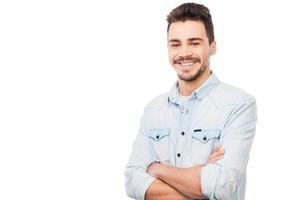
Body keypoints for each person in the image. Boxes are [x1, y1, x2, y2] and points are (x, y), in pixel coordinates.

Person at [125, 2, 257, 200]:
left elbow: (221, 185)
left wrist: (157, 169)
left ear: (212, 46)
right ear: (168, 48)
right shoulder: (154, 110)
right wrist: (201, 180)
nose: (184, 53)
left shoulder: (239, 104)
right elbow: (132, 181)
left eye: (194, 43)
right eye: (175, 44)